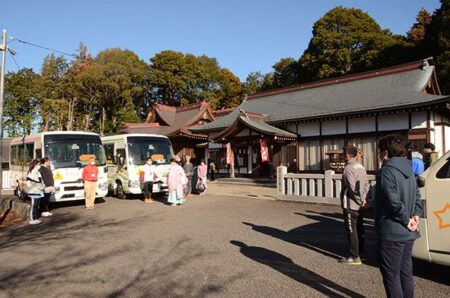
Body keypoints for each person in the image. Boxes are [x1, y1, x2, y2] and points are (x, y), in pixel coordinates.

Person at [375, 134, 423, 298]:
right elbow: (417, 195)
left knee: (391, 275)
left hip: (392, 230)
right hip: (409, 230)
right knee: (405, 272)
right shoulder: (409, 169)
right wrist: (416, 215)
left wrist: (406, 219)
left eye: (380, 151)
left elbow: (392, 202)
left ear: (386, 153)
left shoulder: (386, 172)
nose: (380, 155)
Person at [339, 146, 369, 265]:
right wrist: (363, 200)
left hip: (351, 204)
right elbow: (366, 184)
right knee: (360, 228)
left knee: (352, 230)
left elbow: (351, 189)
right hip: (360, 203)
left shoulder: (348, 168)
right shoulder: (361, 166)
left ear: (346, 155)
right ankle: (360, 253)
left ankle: (354, 256)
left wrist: (359, 201)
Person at [26, 159, 45, 225]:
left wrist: (43, 186)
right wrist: (42, 187)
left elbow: (41, 181)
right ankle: (32, 219)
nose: (40, 166)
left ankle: (35, 218)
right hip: (33, 191)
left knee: (36, 205)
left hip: (38, 191)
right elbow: (32, 183)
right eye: (39, 164)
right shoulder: (31, 173)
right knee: (34, 205)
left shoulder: (38, 172)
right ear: (35, 165)